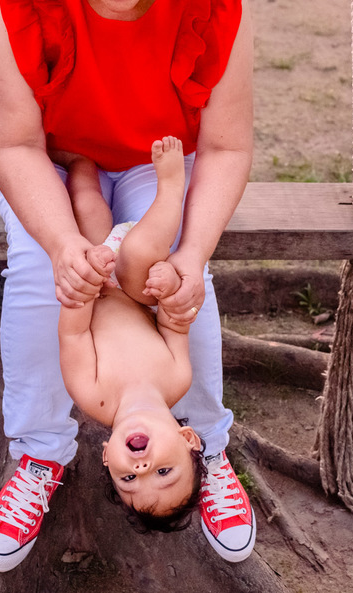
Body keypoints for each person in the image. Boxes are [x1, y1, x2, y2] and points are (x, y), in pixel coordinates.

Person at [0, 0, 256, 573]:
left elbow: (227, 146)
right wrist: (66, 244)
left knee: (179, 276)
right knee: (39, 270)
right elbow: (14, 144)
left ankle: (207, 444)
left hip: (157, 158)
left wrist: (192, 255)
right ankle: (39, 452)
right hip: (51, 156)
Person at [56, 136, 206, 529]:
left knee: (87, 204)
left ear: (107, 457)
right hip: (135, 285)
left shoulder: (92, 395)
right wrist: (169, 286)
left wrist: (86, 284)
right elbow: (174, 321)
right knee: (141, 251)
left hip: (97, 280)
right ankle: (171, 188)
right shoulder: (177, 378)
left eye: (128, 480)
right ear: (188, 439)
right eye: (164, 472)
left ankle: (79, 159)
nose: (142, 467)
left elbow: (73, 336)